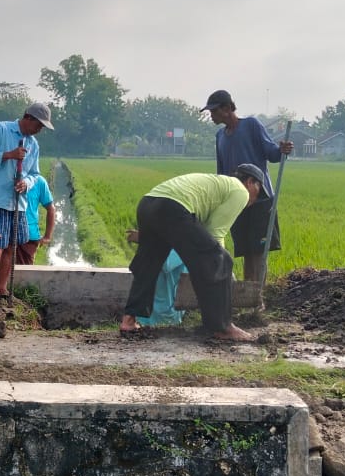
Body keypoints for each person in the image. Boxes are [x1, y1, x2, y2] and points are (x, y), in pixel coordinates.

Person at [118, 166, 267, 342]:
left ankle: (128, 321)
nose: (255, 198)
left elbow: (199, 231)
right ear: (250, 182)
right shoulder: (240, 190)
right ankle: (223, 327)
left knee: (149, 263)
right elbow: (215, 232)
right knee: (221, 260)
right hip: (172, 208)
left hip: (148, 204)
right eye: (258, 191)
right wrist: (220, 264)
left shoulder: (218, 184)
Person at [202, 89, 293, 282]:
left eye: (214, 111)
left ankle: (257, 295)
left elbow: (271, 153)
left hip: (259, 198)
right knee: (244, 249)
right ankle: (247, 293)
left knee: (258, 250)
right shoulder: (220, 136)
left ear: (227, 108)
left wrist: (281, 149)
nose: (212, 116)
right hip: (234, 199)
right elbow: (222, 172)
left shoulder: (251, 125)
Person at [0, 103, 53, 302]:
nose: (39, 130)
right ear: (28, 118)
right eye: (38, 125)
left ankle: (2, 288)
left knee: (11, 245)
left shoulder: (33, 144)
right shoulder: (1, 129)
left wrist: (26, 183)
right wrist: (8, 155)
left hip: (18, 202)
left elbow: (35, 173)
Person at [15, 174, 55, 264]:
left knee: (25, 275)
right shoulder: (9, 177)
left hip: (29, 238)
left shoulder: (39, 181)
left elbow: (51, 208)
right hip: (6, 235)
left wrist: (47, 237)